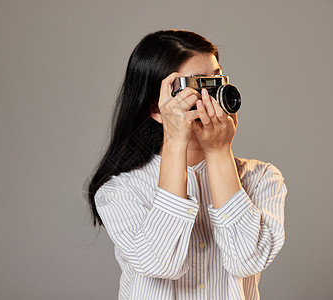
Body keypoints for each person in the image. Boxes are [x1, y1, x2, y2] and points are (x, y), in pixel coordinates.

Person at [87, 30, 287, 300]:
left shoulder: (261, 178)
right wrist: (174, 141)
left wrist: (218, 153)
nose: (211, 98)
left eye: (216, 80)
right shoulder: (120, 189)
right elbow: (159, 263)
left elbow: (246, 261)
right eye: (195, 87)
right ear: (156, 108)